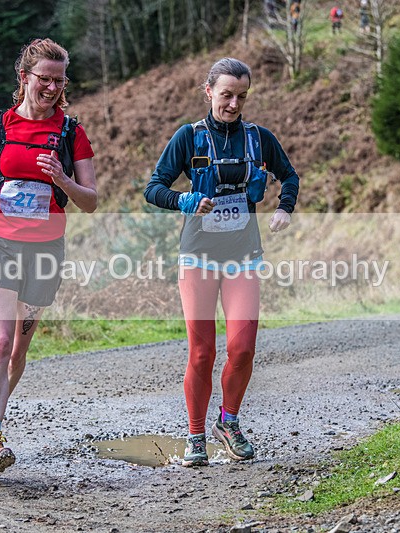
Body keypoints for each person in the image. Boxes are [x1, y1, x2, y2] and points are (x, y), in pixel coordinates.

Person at [144, 58, 299, 467]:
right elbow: (153, 188)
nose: (233, 103)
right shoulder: (189, 137)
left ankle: (227, 423)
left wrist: (285, 208)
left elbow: (290, 175)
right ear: (208, 90)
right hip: (198, 255)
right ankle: (196, 434)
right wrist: (184, 199)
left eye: (241, 96)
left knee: (243, 348)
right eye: (226, 94)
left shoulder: (259, 137)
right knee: (202, 352)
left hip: (244, 256)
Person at [0, 38, 98, 474]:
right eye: (45, 79)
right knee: (0, 341)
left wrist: (63, 179)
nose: (52, 88)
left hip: (44, 251)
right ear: (24, 77)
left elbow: (91, 201)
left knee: (19, 350)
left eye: (59, 81)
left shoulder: (70, 133)